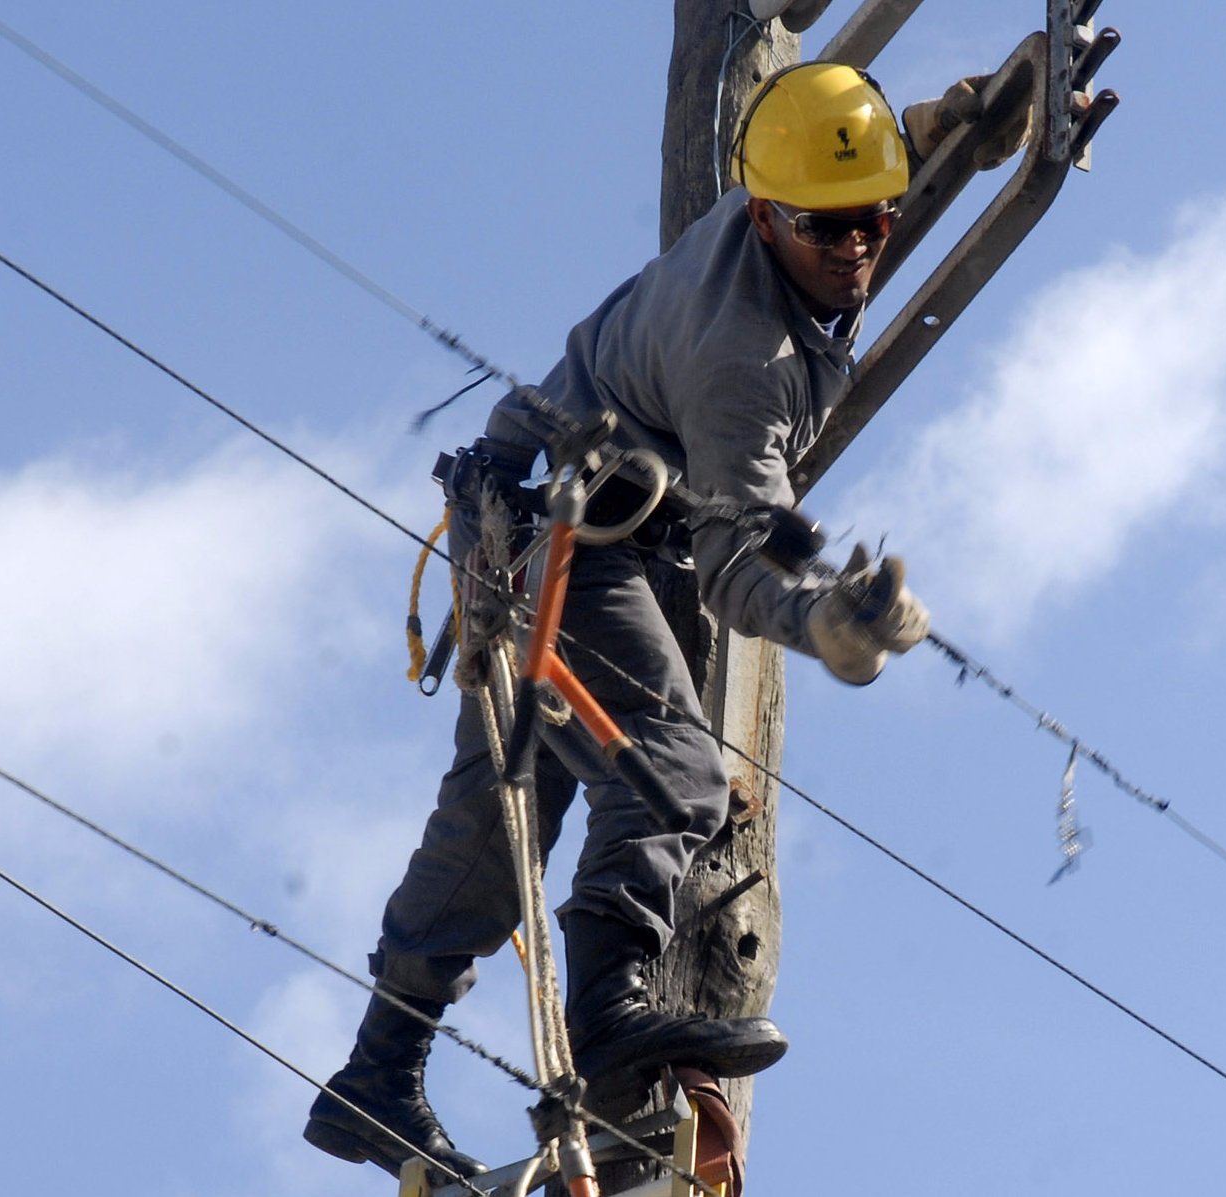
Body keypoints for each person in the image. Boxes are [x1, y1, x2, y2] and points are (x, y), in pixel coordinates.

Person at [304, 61, 994, 1180]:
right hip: (570, 533)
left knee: (497, 816)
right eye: (828, 232)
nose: (857, 249)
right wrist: (821, 624)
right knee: (670, 768)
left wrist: (949, 130)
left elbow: (859, 168)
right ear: (766, 219)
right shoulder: (745, 367)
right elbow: (732, 564)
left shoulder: (781, 198)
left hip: (518, 513)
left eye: (874, 220)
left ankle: (376, 1073)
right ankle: (612, 1015)